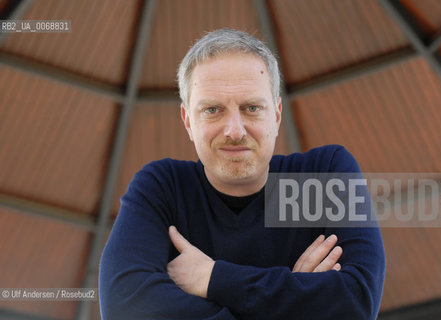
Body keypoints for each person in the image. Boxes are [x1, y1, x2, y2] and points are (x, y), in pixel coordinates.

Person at [99, 28, 385, 319]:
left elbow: (357, 302)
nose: (234, 131)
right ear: (187, 121)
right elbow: (123, 307)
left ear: (276, 114)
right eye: (212, 110)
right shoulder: (162, 187)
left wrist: (213, 277)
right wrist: (297, 300)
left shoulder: (323, 174)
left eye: (251, 108)